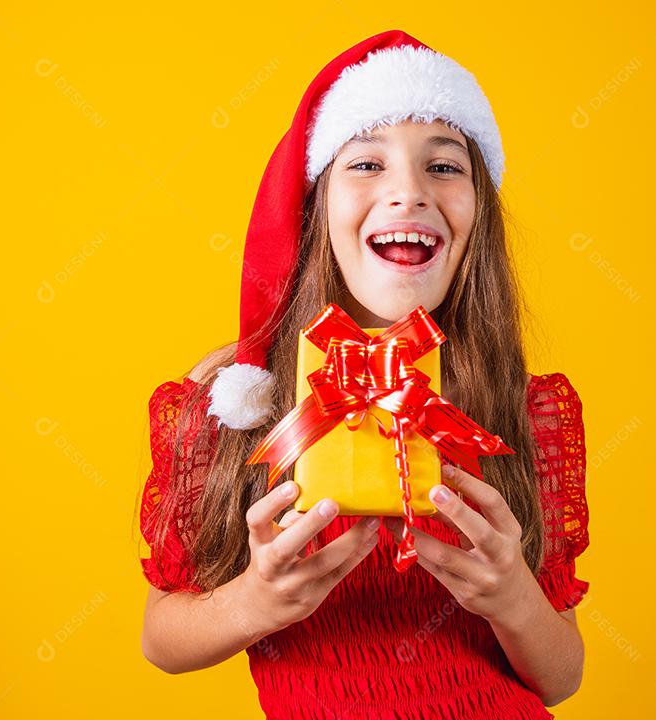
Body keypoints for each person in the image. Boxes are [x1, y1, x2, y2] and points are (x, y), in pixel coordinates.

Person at [138, 29, 591, 719]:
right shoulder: (239, 404)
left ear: (479, 218)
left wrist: (512, 597)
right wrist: (254, 602)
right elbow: (162, 640)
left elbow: (560, 678)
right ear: (316, 208)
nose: (407, 192)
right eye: (366, 164)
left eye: (444, 167)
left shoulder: (518, 410)